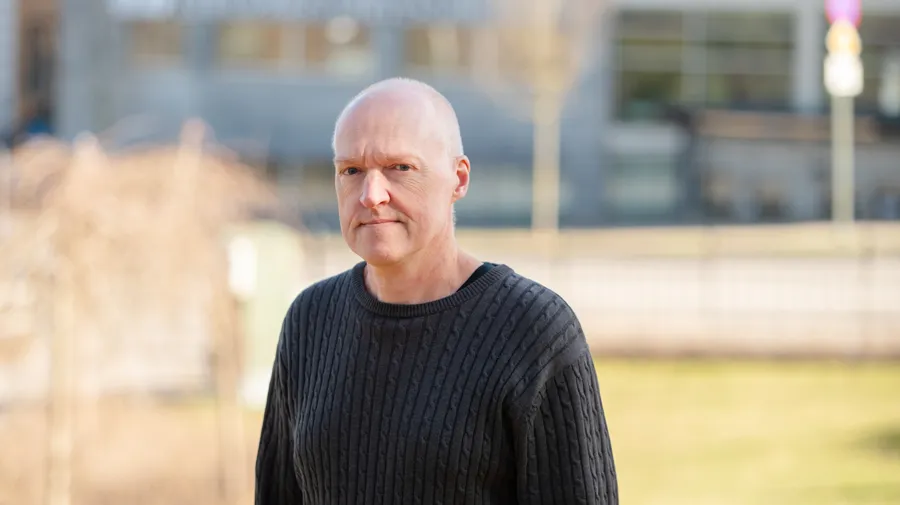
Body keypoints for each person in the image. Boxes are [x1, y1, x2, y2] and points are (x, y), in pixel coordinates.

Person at [255, 77, 618, 505]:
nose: (371, 195)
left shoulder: (533, 330)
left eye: (400, 168)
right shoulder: (309, 321)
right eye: (351, 171)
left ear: (458, 179)